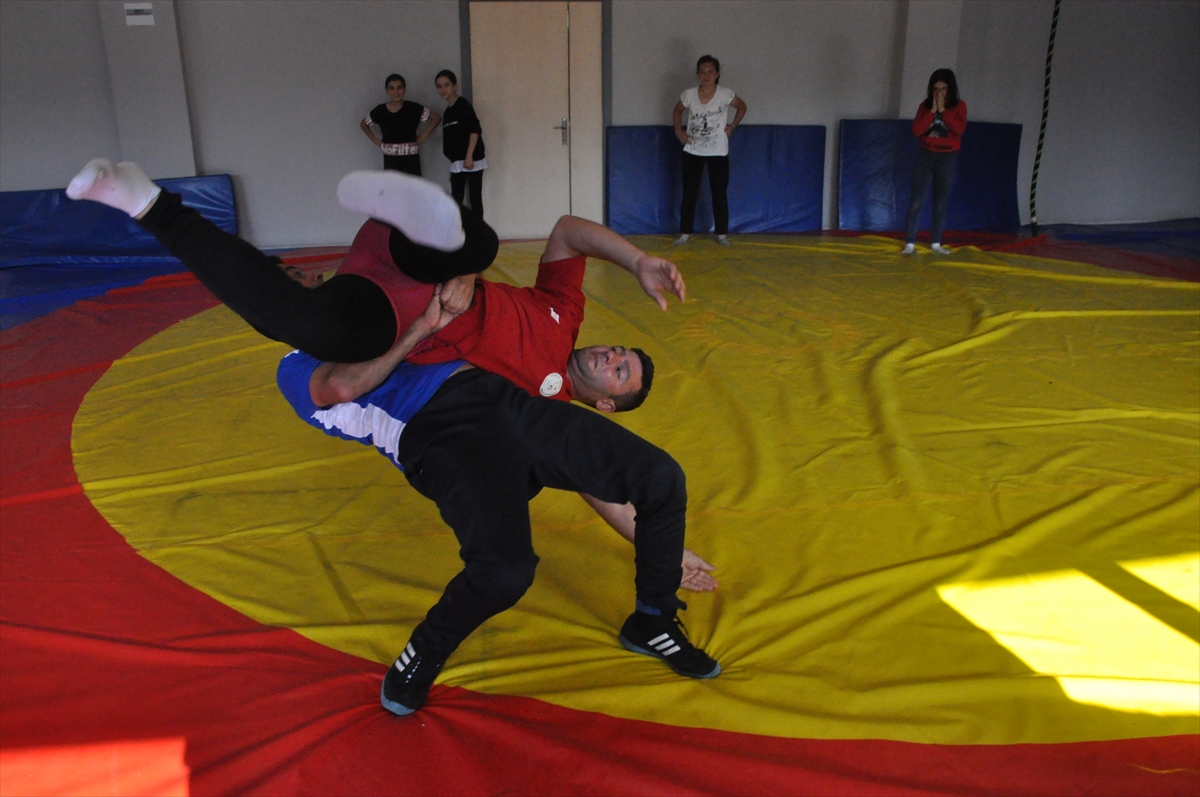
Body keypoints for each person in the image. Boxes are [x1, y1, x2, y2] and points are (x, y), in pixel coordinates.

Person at [277, 296, 721, 715]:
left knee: (660, 477)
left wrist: (663, 549)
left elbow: (592, 485)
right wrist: (418, 329)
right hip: (440, 431)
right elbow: (342, 384)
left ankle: (653, 619)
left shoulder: (378, 320)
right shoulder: (296, 367)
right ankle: (426, 651)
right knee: (505, 572)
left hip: (502, 401)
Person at [65, 161, 684, 414]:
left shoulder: (550, 413)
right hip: (425, 262)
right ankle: (420, 216)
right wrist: (636, 260)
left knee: (308, 327)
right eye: (621, 351)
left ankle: (145, 201)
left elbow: (598, 480)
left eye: (619, 372)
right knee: (481, 247)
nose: (611, 356)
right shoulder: (565, 313)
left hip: (389, 311)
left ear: (606, 405)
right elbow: (569, 229)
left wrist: (662, 546)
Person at [672, 55, 747, 247]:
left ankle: (721, 233)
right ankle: (685, 233)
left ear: (717, 74)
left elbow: (742, 107)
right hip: (693, 149)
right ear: (698, 74)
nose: (706, 75)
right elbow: (677, 111)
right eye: (703, 72)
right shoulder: (689, 94)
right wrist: (679, 132)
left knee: (719, 193)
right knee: (690, 192)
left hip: (718, 150)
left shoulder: (725, 94)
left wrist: (732, 126)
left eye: (710, 72)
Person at [901, 69, 967, 255]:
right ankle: (910, 243)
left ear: (950, 89)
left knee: (940, 201)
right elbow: (916, 130)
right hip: (925, 155)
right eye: (936, 88)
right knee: (917, 200)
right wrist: (931, 112)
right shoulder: (924, 106)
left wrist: (943, 111)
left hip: (947, 157)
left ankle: (936, 243)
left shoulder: (959, 106)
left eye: (943, 88)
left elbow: (959, 129)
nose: (939, 93)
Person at [360, 73, 441, 176]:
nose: (396, 92)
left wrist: (422, 137)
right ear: (387, 90)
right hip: (390, 162)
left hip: (411, 163)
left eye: (399, 88)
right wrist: (376, 141)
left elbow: (436, 118)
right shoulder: (380, 111)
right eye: (392, 88)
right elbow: (364, 124)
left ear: (404, 89)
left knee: (412, 186)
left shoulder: (413, 108)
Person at [434, 70, 486, 218]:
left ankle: (478, 230)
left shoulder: (463, 105)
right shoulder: (448, 112)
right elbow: (452, 140)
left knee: (474, 197)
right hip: (457, 162)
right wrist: (453, 164)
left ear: (455, 86)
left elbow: (474, 131)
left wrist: (469, 156)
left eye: (446, 85)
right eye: (439, 86)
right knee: (456, 199)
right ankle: (459, 229)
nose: (443, 89)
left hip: (472, 159)